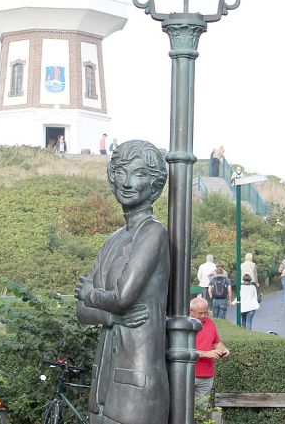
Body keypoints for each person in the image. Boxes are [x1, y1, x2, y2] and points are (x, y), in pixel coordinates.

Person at [75, 140, 170, 424]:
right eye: (121, 172)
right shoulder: (112, 239)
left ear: (154, 186)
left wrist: (91, 294)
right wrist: (113, 317)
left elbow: (122, 297)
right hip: (103, 383)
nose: (127, 183)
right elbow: (81, 312)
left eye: (139, 174)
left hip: (136, 386)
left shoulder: (154, 233)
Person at [190, 297, 230, 403]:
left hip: (207, 375)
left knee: (201, 410)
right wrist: (206, 354)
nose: (203, 316)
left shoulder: (209, 322)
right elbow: (183, 350)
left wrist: (224, 350)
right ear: (191, 311)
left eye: (205, 312)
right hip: (188, 374)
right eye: (200, 313)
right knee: (182, 409)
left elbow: (217, 343)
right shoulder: (183, 325)